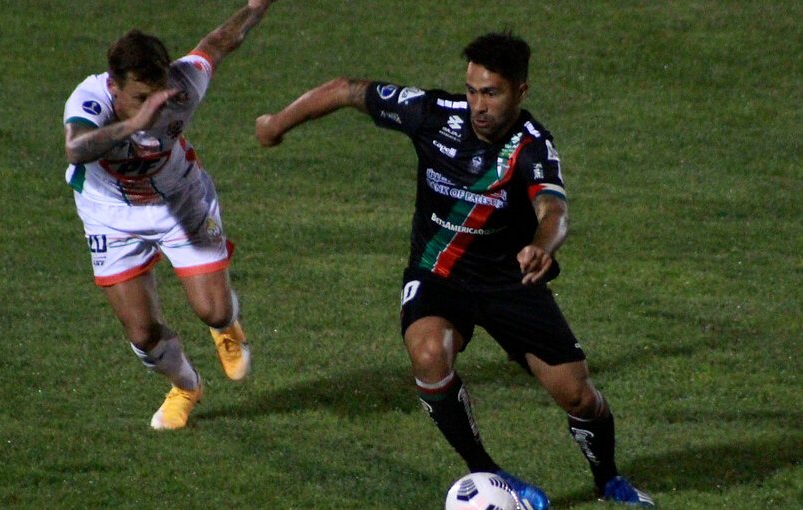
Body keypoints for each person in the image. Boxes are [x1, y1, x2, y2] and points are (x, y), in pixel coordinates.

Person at [254, 32, 655, 507]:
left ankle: (608, 479)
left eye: (492, 92)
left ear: (520, 91)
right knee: (427, 356)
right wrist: (276, 124)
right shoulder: (433, 114)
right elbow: (346, 89)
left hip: (510, 280)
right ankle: (487, 473)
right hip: (438, 273)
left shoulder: (531, 146)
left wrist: (541, 247)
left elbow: (554, 210)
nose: (478, 105)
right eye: (471, 90)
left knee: (577, 396)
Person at [62, 0, 277, 431]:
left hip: (179, 200)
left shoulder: (182, 84)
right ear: (114, 86)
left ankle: (226, 326)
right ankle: (185, 387)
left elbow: (219, 42)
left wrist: (256, 6)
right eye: (142, 98)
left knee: (213, 312)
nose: (156, 107)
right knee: (142, 334)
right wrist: (134, 122)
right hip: (110, 215)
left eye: (158, 94)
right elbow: (77, 148)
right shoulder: (89, 100)